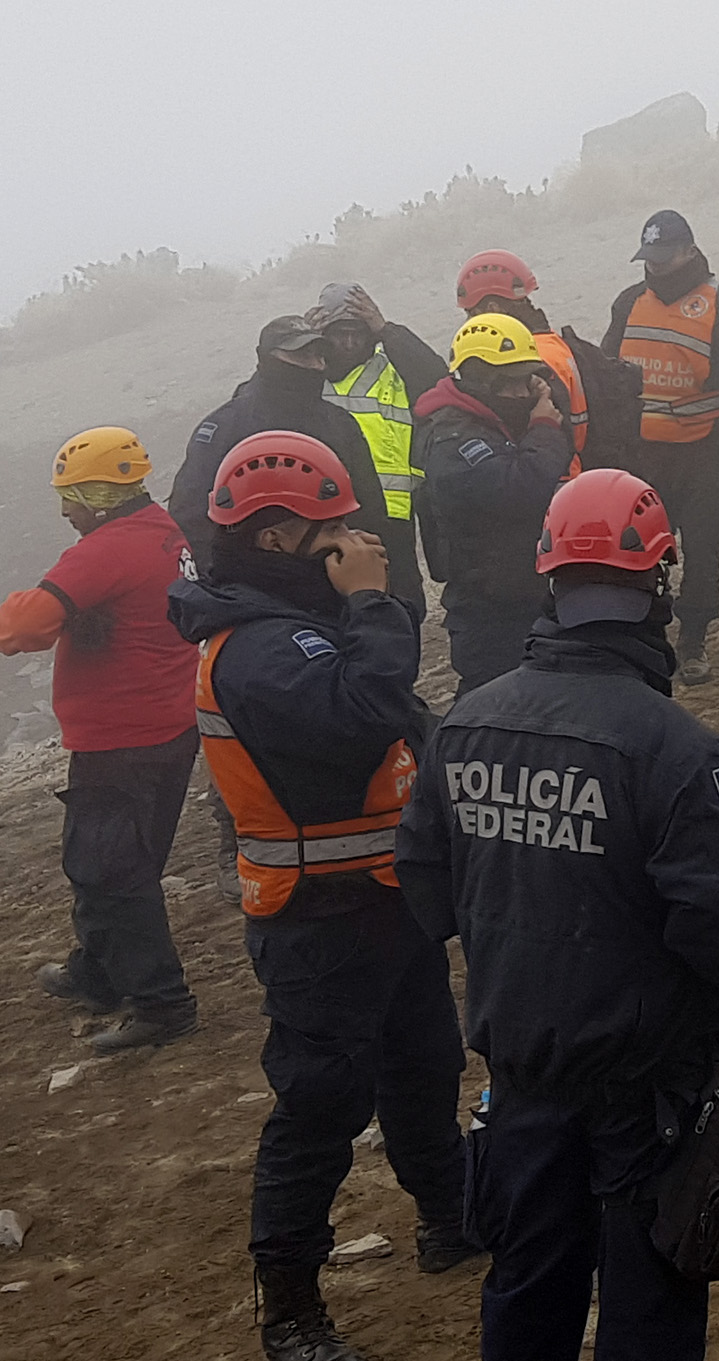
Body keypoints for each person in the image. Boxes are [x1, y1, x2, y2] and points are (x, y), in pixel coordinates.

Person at [397, 467, 719, 1361]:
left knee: (526, 1271)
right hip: (640, 1077)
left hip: (518, 1068)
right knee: (652, 1278)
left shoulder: (466, 723)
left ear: (548, 579)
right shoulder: (671, 746)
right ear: (659, 578)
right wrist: (707, 1047)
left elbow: (425, 897)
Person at [168, 430, 477, 1361]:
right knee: (319, 1109)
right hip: (316, 919)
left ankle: (452, 1216)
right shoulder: (261, 645)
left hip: (386, 900)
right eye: (331, 526)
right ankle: (289, 1303)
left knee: (423, 1064)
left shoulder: (288, 620)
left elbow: (393, 726)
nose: (351, 538)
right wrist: (374, 602)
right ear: (272, 537)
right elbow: (363, 707)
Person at [173, 313, 411, 901]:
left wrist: (390, 591)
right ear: (267, 356)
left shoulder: (338, 423)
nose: (311, 364)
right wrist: (232, 591)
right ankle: (239, 840)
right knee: (250, 722)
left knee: (353, 706)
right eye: (298, 354)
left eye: (317, 354)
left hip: (333, 585)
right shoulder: (225, 426)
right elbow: (193, 513)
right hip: (254, 593)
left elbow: (371, 511)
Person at [0, 428, 204, 1054]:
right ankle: (99, 972)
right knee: (124, 859)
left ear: (99, 495)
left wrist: (20, 601)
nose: (65, 512)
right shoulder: (165, 533)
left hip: (120, 735)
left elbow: (16, 629)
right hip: (170, 721)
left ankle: (163, 1004)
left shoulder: (103, 551)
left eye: (72, 497)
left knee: (108, 868)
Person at [602, 211, 719, 686]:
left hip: (707, 454)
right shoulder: (628, 303)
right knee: (644, 554)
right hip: (642, 459)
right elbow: (608, 379)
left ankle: (694, 639)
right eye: (649, 258)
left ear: (689, 252)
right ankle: (649, 639)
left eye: (664, 257)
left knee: (702, 551)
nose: (655, 267)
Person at [413, 313, 576, 695]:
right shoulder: (453, 438)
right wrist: (543, 428)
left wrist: (543, 410)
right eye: (513, 383)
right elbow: (520, 489)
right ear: (479, 379)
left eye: (527, 381)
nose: (523, 395)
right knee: (495, 702)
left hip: (521, 592)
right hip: (488, 609)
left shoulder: (489, 420)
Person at [314, 280, 451, 611]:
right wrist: (299, 343)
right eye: (339, 334)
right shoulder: (306, 375)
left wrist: (387, 330)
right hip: (325, 518)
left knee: (404, 608)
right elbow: (262, 396)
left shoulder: (392, 370)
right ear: (322, 336)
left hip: (392, 518)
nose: (348, 342)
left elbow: (437, 378)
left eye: (357, 333)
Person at [458, 251, 643, 476]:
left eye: (471, 314)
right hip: (577, 473)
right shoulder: (553, 342)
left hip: (556, 482)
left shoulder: (527, 361)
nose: (470, 324)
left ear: (493, 309)